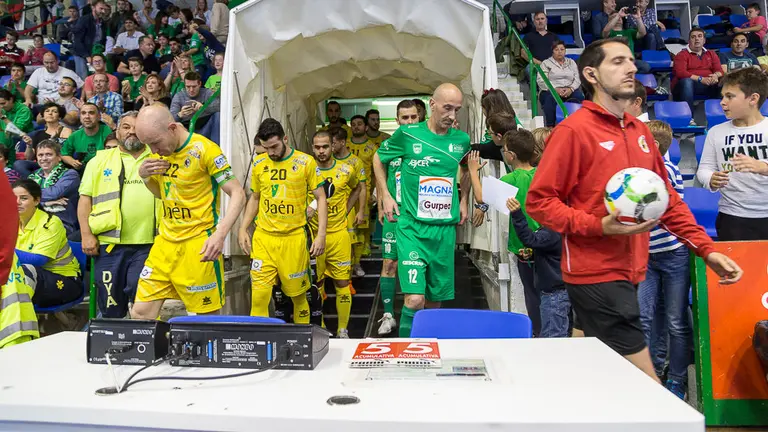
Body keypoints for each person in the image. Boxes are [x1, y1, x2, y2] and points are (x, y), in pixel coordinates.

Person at [526, 38, 743, 381]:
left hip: (632, 271)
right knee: (647, 385)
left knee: (587, 371)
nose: (630, 67)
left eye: (630, 60)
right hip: (596, 274)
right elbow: (539, 202)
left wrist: (705, 248)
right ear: (591, 74)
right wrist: (599, 225)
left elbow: (668, 200)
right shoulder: (572, 132)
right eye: (617, 62)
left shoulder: (639, 131)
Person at [375, 83, 471, 337]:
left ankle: (425, 347)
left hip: (443, 231)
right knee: (415, 299)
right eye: (447, 108)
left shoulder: (461, 140)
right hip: (412, 228)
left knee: (434, 302)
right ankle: (403, 351)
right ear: (432, 105)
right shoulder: (409, 135)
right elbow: (378, 158)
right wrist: (385, 194)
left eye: (457, 110)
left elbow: (468, 167)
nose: (452, 115)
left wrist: (463, 200)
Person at [131, 104, 245, 319]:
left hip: (198, 246)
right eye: (148, 145)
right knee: (140, 313)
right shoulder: (160, 151)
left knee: (205, 320)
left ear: (172, 128)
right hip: (164, 244)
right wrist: (145, 176)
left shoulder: (205, 149)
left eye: (155, 143)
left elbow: (238, 193)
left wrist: (220, 235)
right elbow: (161, 194)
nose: (153, 151)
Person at [237, 118, 326, 321]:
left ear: (285, 139)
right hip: (264, 239)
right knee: (259, 296)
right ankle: (258, 348)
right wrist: (243, 228)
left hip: (293, 238)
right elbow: (256, 198)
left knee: (298, 296)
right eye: (266, 148)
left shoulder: (305, 162)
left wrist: (321, 235)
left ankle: (301, 339)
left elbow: (321, 197)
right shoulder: (259, 164)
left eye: (275, 147)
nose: (271, 153)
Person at [78, 111, 156, 318]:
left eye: (137, 128)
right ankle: (116, 345)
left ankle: (142, 344)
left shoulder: (159, 157)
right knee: (111, 305)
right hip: (110, 244)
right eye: (126, 127)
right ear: (117, 131)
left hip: (151, 243)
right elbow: (85, 200)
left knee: (142, 299)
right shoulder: (99, 161)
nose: (132, 132)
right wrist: (86, 235)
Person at [637, 119, 691, 398]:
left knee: (674, 320)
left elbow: (664, 212)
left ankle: (678, 381)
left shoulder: (666, 171)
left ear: (653, 146)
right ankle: (650, 374)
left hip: (672, 255)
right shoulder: (638, 173)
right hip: (647, 257)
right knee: (645, 318)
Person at [696, 67, 768, 241]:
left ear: (753, 98)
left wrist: (763, 167)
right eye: (722, 96)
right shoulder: (715, 132)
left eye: (730, 96)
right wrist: (710, 179)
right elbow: (704, 168)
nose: (722, 102)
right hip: (732, 217)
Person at [307, 130, 361, 337]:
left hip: (338, 235)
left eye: (325, 147)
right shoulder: (305, 169)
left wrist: (347, 209)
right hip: (314, 236)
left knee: (342, 283)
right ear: (313, 148)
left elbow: (357, 188)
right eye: (317, 147)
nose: (321, 151)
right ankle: (320, 328)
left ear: (333, 146)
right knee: (316, 284)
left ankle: (342, 330)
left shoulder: (346, 170)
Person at [376, 99, 420, 335]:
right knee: (389, 263)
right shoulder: (390, 144)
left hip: (417, 216)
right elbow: (378, 165)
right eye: (405, 118)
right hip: (395, 213)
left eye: (414, 117)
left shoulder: (426, 141)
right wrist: (383, 199)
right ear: (397, 120)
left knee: (414, 265)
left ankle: (415, 317)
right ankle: (388, 315)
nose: (410, 122)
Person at [498, 128, 541, 335]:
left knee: (531, 294)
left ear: (511, 155)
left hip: (523, 247)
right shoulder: (542, 175)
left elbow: (482, 197)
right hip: (546, 244)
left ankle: (537, 332)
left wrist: (471, 170)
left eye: (504, 150)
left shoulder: (510, 180)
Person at [13, 179, 82, 308]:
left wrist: (5, 250)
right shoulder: (9, 224)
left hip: (65, 281)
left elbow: (39, 260)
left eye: (23, 198)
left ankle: (17, 323)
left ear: (37, 200)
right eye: (13, 198)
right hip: (32, 280)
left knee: (26, 271)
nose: (17, 202)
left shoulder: (50, 223)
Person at [28, 140, 80, 236]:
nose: (44, 158)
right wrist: (46, 203)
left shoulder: (70, 174)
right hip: (35, 222)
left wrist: (32, 197)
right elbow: (23, 199)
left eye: (48, 154)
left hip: (63, 224)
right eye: (40, 155)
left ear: (59, 157)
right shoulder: (32, 177)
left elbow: (54, 193)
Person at [347, 114, 378, 274]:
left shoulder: (372, 147)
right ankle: (348, 261)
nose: (356, 127)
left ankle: (360, 257)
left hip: (364, 190)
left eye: (359, 124)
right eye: (353, 124)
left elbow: (376, 173)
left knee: (361, 223)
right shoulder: (344, 145)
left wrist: (374, 192)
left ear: (366, 127)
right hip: (345, 192)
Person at [672, 29, 722, 118]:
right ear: (689, 41)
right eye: (693, 37)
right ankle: (689, 117)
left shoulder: (711, 53)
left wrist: (715, 76)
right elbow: (681, 73)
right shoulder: (682, 55)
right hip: (686, 85)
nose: (697, 39)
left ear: (704, 40)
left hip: (708, 83)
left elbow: (719, 70)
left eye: (699, 36)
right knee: (687, 82)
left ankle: (719, 115)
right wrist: (700, 79)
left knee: (724, 81)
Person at [17, 102, 72, 178]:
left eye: (54, 111)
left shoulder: (65, 131)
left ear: (59, 117)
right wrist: (29, 145)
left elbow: (64, 153)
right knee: (19, 164)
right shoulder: (37, 134)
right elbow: (29, 158)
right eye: (47, 111)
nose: (50, 113)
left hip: (57, 163)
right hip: (41, 164)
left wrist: (54, 139)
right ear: (43, 116)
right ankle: (34, 184)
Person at [538, 40, 584, 127]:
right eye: (556, 49)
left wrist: (571, 89)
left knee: (579, 97)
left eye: (562, 49)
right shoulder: (546, 63)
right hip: (551, 90)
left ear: (565, 51)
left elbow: (577, 78)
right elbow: (541, 80)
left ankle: (578, 125)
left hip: (570, 89)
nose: (559, 52)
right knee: (550, 99)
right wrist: (555, 89)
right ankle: (550, 127)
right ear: (552, 51)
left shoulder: (571, 62)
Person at [61, 103, 112, 170]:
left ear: (99, 117)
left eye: (91, 113)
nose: (87, 116)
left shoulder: (108, 131)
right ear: (80, 117)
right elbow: (64, 154)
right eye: (83, 113)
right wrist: (72, 162)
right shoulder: (74, 136)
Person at [603, 8, 652, 73]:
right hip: (615, 62)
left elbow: (642, 33)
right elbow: (605, 31)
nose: (618, 18)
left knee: (646, 67)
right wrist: (618, 15)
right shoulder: (610, 33)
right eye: (614, 17)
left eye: (620, 17)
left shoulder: (629, 32)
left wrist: (638, 18)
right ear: (609, 20)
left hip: (630, 62)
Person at [70, 0, 109, 80]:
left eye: (104, 9)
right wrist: (86, 56)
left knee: (96, 77)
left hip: (95, 52)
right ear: (93, 7)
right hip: (81, 53)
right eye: (101, 9)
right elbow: (77, 41)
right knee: (83, 78)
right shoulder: (84, 20)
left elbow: (102, 39)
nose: (103, 11)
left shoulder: (103, 22)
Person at [0, 89, 33, 165]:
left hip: (22, 138)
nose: (1, 107)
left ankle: (8, 165)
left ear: (11, 99)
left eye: (3, 103)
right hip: (5, 138)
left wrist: (3, 117)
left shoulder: (24, 110)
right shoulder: (2, 109)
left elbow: (17, 131)